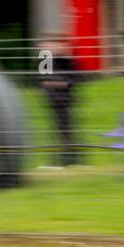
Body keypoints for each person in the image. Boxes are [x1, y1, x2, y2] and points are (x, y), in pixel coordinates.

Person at [37, 36, 80, 167]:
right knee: (56, 132)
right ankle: (57, 161)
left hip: (66, 101)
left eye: (49, 45)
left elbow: (72, 80)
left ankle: (71, 160)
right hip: (53, 101)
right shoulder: (46, 59)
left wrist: (56, 83)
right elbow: (43, 80)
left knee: (68, 131)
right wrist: (57, 83)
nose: (45, 48)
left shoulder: (67, 60)